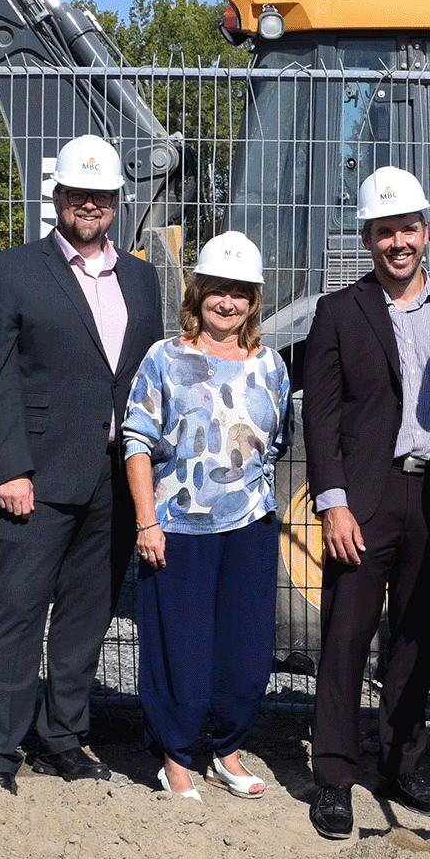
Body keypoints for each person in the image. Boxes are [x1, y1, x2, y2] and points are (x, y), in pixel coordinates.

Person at [0, 133, 163, 793]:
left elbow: (144, 376)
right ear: (57, 197)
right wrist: (9, 469)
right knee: (17, 614)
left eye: (101, 195)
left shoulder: (140, 276)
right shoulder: (12, 270)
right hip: (39, 476)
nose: (89, 204)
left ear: (115, 201)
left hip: (115, 476)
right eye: (78, 194)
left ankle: (63, 733)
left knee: (87, 616)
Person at [300, 167, 430, 840]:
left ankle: (402, 763)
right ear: (367, 238)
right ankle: (335, 776)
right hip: (368, 497)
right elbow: (319, 418)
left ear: (427, 233)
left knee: (414, 637)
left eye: (408, 229)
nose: (398, 242)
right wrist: (333, 502)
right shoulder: (339, 312)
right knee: (346, 638)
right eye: (385, 231)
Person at [122, 232, 290, 801]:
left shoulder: (271, 365)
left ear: (253, 300)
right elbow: (137, 442)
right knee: (181, 647)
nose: (228, 303)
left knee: (244, 650)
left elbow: (274, 444)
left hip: (250, 527)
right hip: (178, 528)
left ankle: (226, 750)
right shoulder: (165, 359)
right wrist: (147, 522)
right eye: (217, 291)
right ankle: (174, 754)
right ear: (196, 295)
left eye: (240, 292)